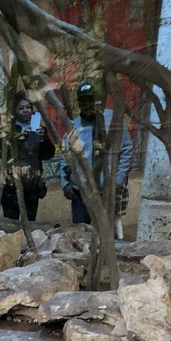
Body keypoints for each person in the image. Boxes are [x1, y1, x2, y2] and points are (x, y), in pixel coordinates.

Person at [59, 83, 133, 232]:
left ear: (97, 100)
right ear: (78, 102)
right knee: (81, 234)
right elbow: (65, 156)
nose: (87, 104)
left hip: (105, 191)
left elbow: (127, 150)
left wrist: (117, 181)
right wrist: (65, 183)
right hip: (81, 193)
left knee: (105, 235)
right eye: (83, 100)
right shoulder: (74, 126)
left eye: (90, 99)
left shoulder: (112, 121)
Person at [0, 93, 56, 221]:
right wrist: (18, 138)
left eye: (28, 107)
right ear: (14, 111)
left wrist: (43, 139)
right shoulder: (9, 128)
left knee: (30, 221)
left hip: (32, 184)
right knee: (11, 221)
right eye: (21, 108)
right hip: (12, 185)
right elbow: (2, 153)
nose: (25, 111)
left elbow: (47, 155)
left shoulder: (36, 124)